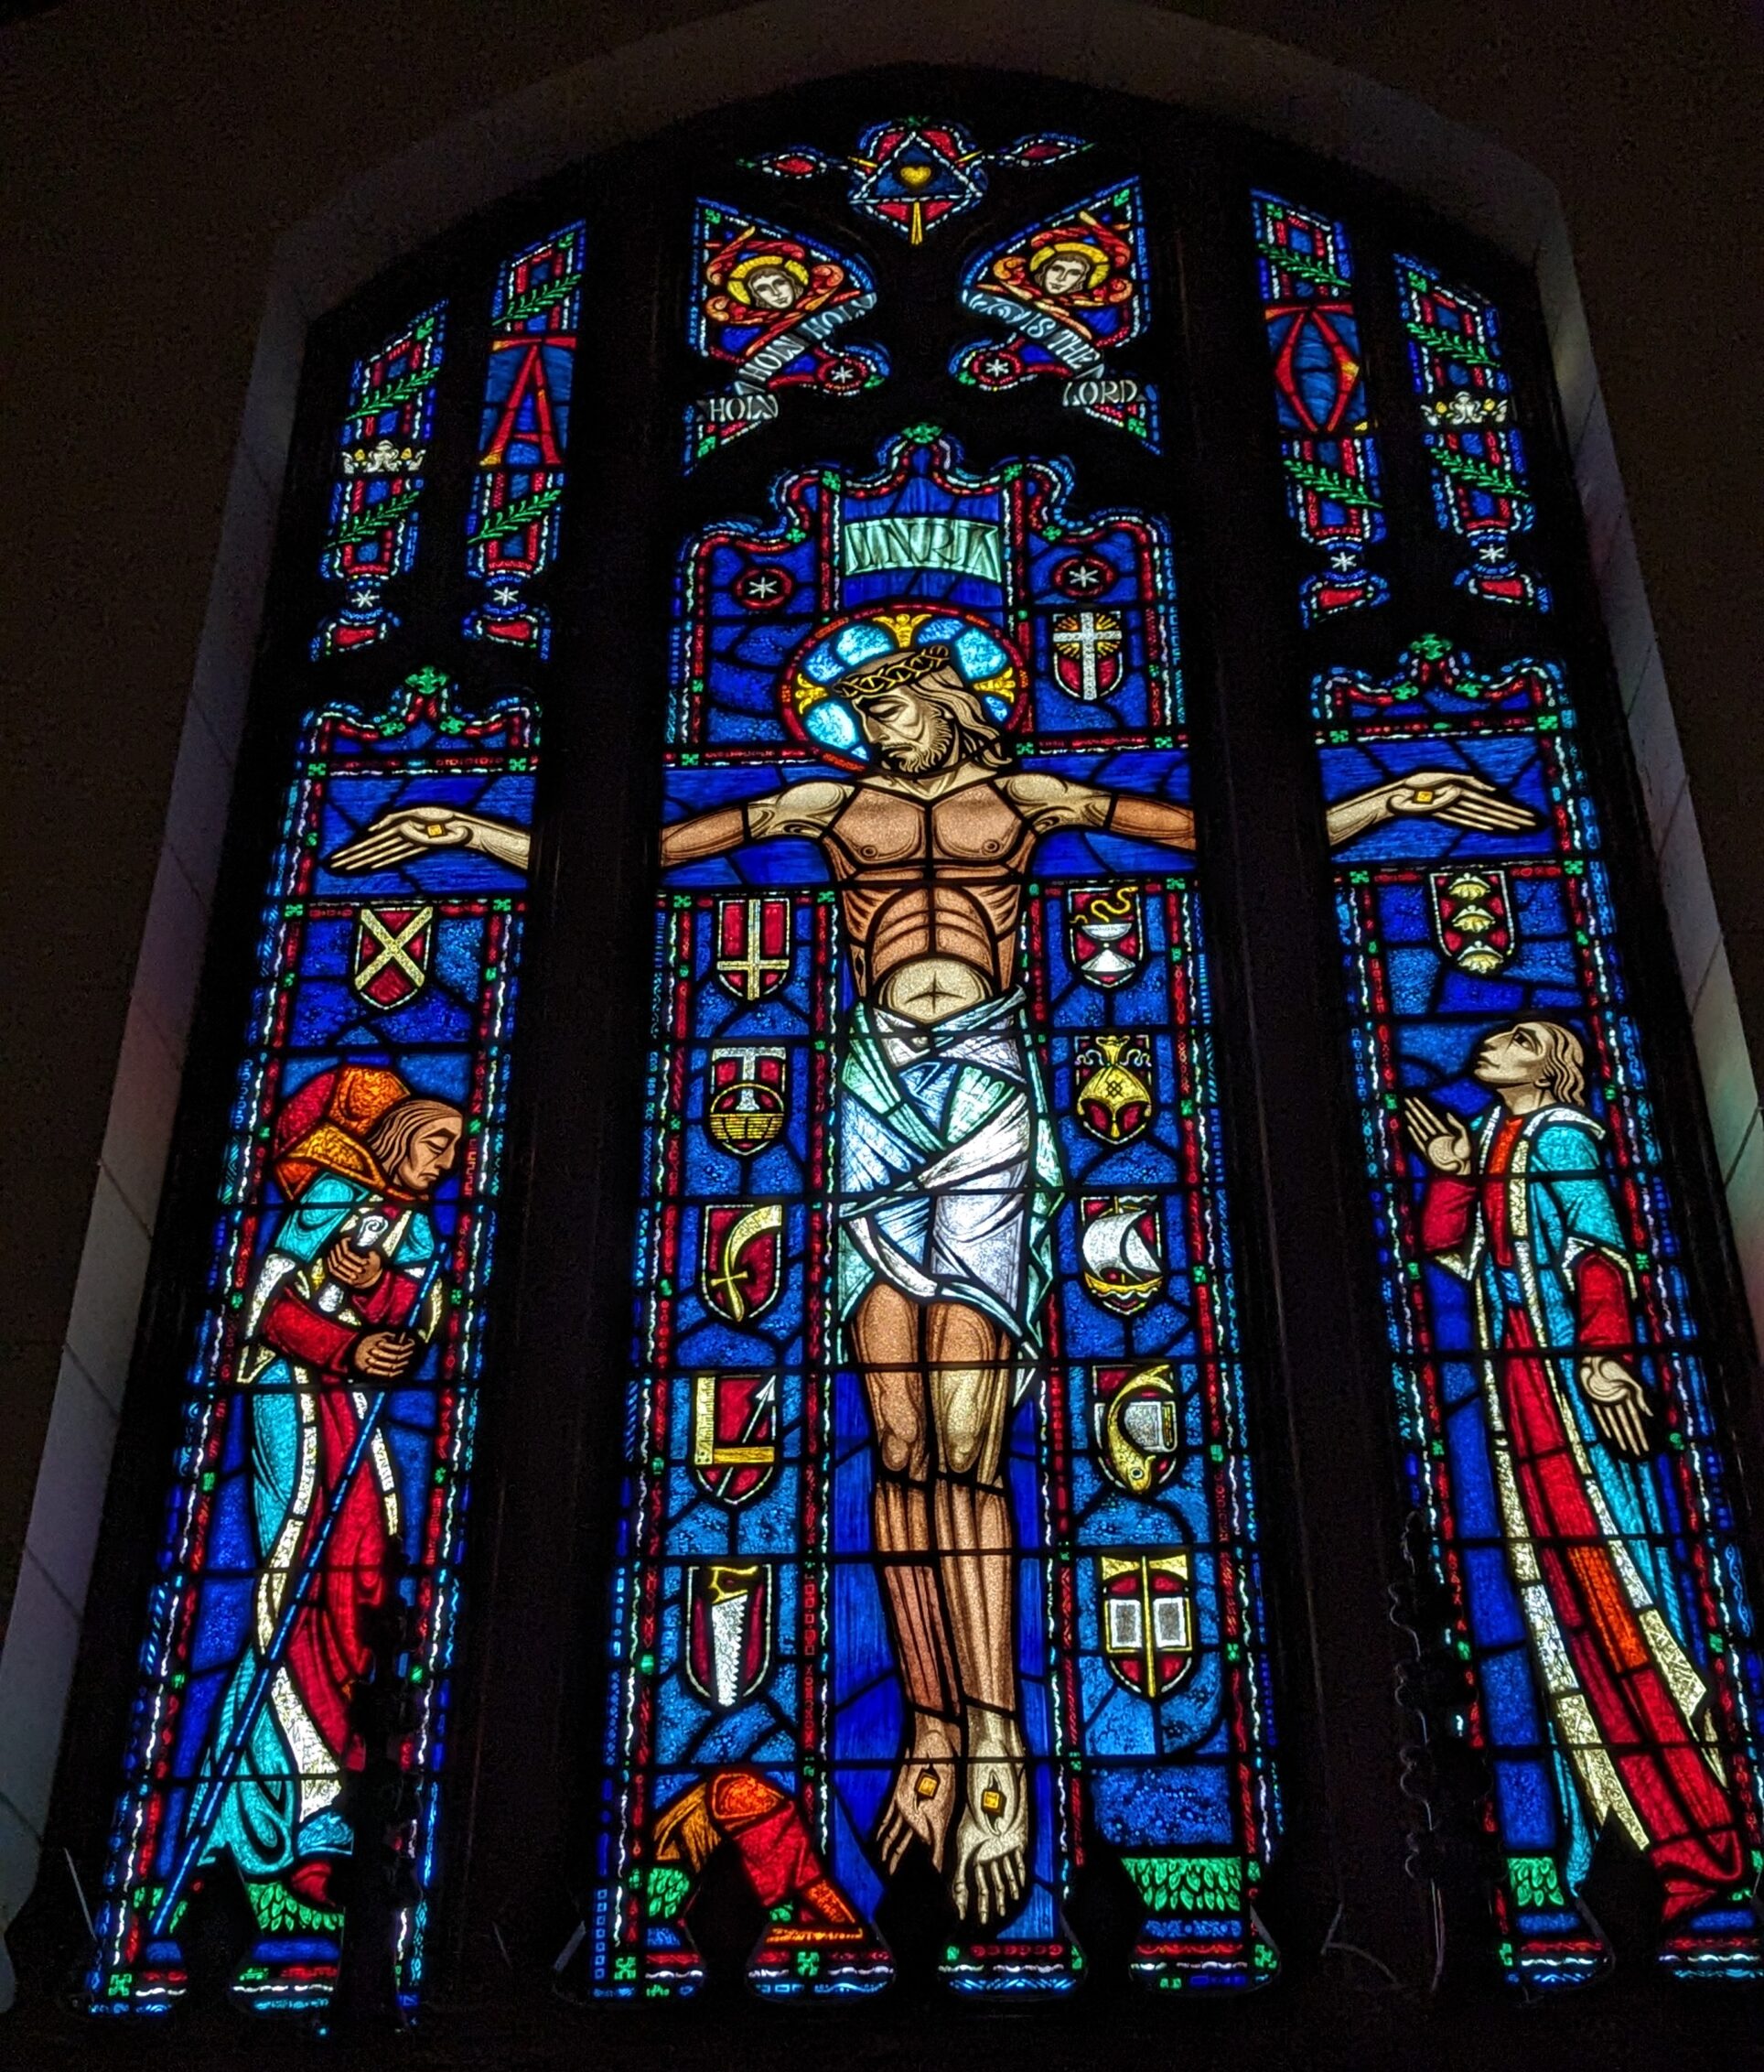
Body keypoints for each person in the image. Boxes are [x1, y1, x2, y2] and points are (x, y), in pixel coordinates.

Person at [339, 631, 1529, 1929]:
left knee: (967, 1439)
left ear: (945, 702)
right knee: (897, 1445)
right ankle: (929, 1725)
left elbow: (1216, 834)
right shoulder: (827, 807)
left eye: (889, 706)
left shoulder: (1021, 800)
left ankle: (1001, 1736)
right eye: (856, 709)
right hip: (871, 1087)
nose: (871, 728)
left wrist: (1396, 799)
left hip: (984, 1084)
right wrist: (465, 825)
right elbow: (637, 855)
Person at [1405, 1021, 1743, 1924]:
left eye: (1516, 1039)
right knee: (1553, 1605)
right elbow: (1456, 1252)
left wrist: (1602, 1354)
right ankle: (1610, 1827)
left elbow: (1596, 1254)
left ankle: (1691, 1830)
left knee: (1604, 1583)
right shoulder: (1493, 1139)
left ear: (1549, 1069)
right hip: (1518, 1379)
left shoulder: (1561, 1138)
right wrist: (1451, 1169)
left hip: (1564, 1388)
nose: (1491, 1045)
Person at [202, 1063, 458, 1914]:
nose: (448, 1161)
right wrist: (346, 1340)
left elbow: (417, 1314)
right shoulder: (330, 1198)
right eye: (435, 1142)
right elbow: (269, 1305)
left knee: (362, 1583)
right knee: (297, 1577)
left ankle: (337, 1807)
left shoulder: (414, 1226)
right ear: (394, 1140)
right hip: (296, 1406)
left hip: (353, 1414)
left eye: (456, 1149)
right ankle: (287, 1815)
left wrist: (375, 1299)